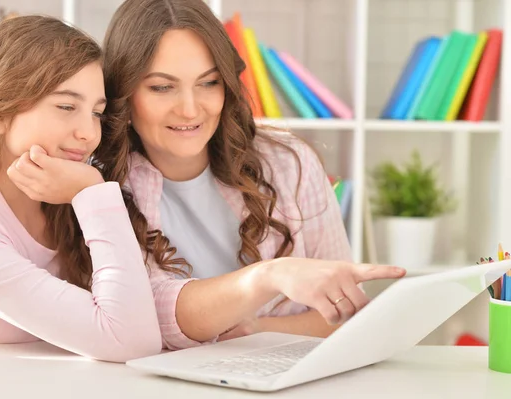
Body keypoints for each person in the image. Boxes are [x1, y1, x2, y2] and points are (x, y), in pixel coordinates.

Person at [97, 0, 406, 350]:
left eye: (208, 82)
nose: (189, 108)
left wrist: (259, 329)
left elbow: (346, 311)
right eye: (161, 87)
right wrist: (270, 276)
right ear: (123, 91)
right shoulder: (101, 188)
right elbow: (145, 313)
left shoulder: (289, 164)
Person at [0, 15, 162, 362]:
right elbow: (133, 341)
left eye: (96, 113)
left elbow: (142, 308)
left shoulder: (63, 204)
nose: (89, 133)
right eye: (66, 107)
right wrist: (93, 191)